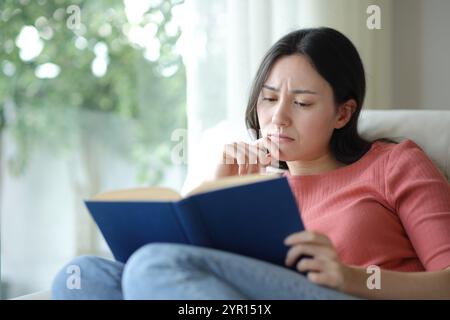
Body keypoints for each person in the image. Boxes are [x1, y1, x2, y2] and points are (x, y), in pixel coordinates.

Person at [52, 27, 450, 300]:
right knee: (83, 276)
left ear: (343, 114)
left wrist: (351, 277)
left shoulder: (396, 163)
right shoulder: (256, 182)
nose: (278, 117)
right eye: (269, 97)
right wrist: (213, 189)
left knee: (154, 266)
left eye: (302, 103)